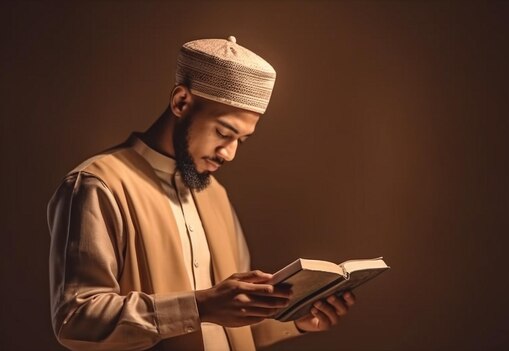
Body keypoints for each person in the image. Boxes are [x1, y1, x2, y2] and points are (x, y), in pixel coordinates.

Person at [47, 36, 356, 351]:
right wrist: (200, 307)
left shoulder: (215, 195)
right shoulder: (97, 185)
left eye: (242, 139)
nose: (230, 153)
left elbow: (231, 326)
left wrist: (297, 321)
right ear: (181, 102)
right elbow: (75, 320)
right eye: (224, 132)